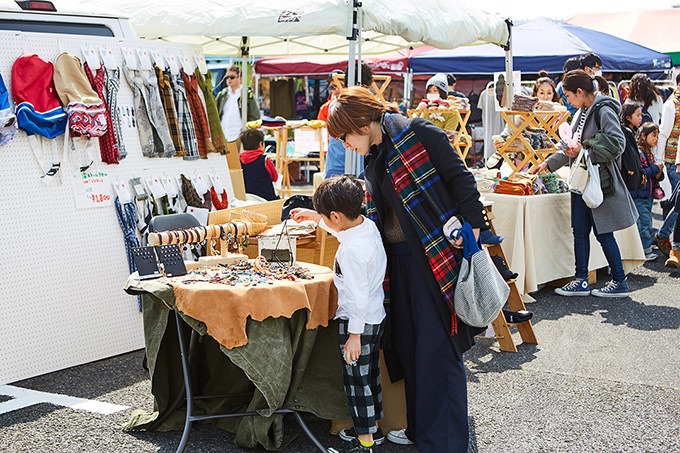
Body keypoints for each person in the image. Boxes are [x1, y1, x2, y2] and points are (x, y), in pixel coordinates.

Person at [327, 86, 489, 452]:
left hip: (432, 257)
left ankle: (444, 443)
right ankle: (422, 431)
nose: (344, 144)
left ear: (362, 122)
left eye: (344, 135)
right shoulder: (376, 154)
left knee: (435, 348)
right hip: (397, 262)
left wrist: (472, 231)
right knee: (409, 346)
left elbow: (461, 179)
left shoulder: (419, 133)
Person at [291, 175, 387, 453]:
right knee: (369, 378)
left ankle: (365, 443)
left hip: (358, 324)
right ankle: (373, 432)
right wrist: (315, 216)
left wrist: (354, 335)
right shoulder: (365, 227)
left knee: (357, 383)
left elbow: (356, 297)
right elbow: (342, 230)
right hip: (374, 317)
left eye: (324, 215)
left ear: (335, 215)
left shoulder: (351, 252)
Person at [532, 70, 638, 298]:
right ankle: (581, 280)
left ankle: (619, 281)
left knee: (603, 233)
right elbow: (571, 145)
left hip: (598, 180)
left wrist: (586, 150)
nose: (567, 101)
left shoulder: (603, 110)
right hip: (582, 179)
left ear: (580, 92)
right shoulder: (583, 110)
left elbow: (617, 144)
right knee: (579, 231)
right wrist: (548, 163)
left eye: (568, 95)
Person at [621, 101, 662, 260]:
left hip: (645, 193)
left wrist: (658, 173)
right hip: (640, 192)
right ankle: (645, 250)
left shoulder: (647, 150)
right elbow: (641, 171)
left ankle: (644, 248)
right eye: (637, 115)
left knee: (645, 221)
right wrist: (656, 169)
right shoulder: (637, 148)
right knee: (643, 223)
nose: (640, 118)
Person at [654, 74, 680, 256]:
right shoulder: (671, 104)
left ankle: (665, 235)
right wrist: (659, 161)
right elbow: (663, 134)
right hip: (673, 162)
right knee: (679, 204)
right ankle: (664, 235)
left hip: (675, 161)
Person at [216, 65, 261, 146]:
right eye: (227, 77)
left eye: (232, 77)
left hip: (239, 136)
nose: (229, 79)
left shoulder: (246, 94)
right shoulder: (222, 94)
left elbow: (255, 116)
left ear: (240, 78)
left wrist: (247, 134)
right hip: (223, 136)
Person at [318, 70, 347, 178]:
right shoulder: (327, 107)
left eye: (340, 85)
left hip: (351, 152)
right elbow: (323, 131)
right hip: (334, 153)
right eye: (333, 87)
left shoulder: (353, 105)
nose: (336, 90)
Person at [238, 128, 278, 201]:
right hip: (266, 198)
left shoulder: (239, 160)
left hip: (246, 197)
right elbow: (275, 177)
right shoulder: (265, 160)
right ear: (260, 144)